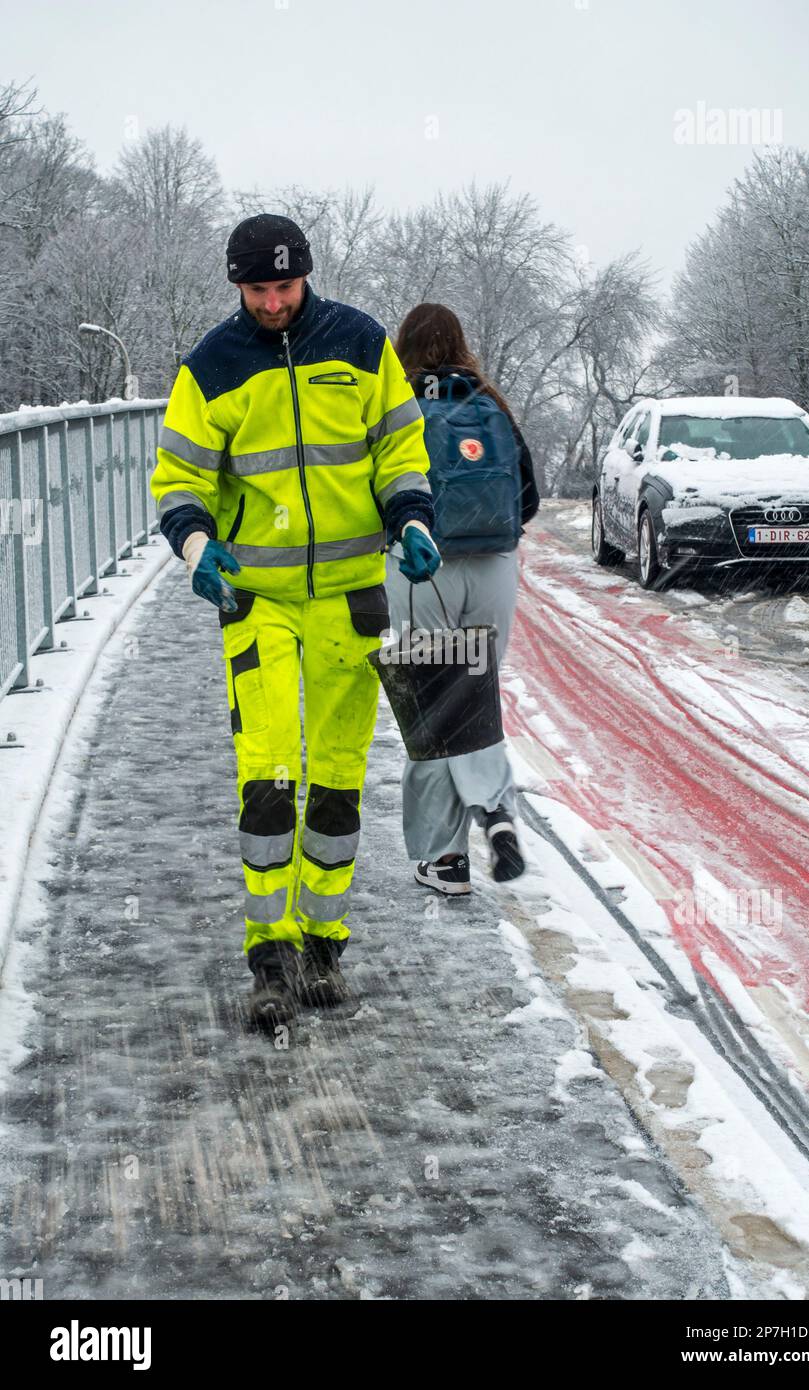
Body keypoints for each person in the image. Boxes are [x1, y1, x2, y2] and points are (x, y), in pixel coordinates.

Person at [149, 214, 441, 1030]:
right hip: (257, 600)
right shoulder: (210, 367)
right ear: (237, 287)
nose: (273, 302)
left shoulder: (361, 344)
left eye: (284, 285)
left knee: (341, 781)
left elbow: (400, 448)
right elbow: (177, 477)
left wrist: (413, 520)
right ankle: (270, 956)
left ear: (304, 276)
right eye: (257, 289)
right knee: (270, 777)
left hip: (352, 599)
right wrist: (196, 545)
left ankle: (325, 946)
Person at [385, 303, 539, 895]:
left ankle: (444, 860)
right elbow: (527, 501)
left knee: (433, 710)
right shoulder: (489, 404)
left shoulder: (396, 408)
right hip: (494, 566)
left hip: (422, 566)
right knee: (473, 699)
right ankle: (495, 807)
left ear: (402, 347)